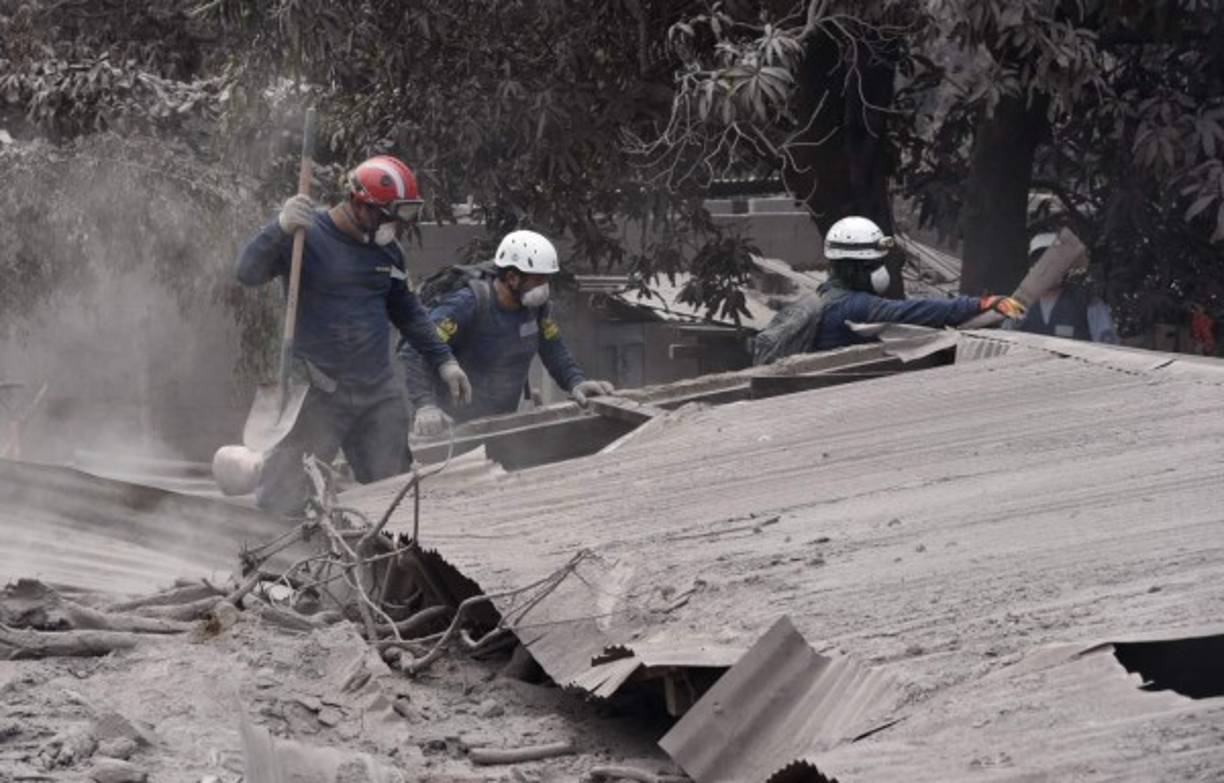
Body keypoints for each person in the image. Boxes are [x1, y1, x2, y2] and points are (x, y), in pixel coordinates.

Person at [236, 155, 471, 514]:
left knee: (395, 495)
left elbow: (408, 311)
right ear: (359, 204)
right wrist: (279, 228)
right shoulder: (305, 236)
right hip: (318, 391)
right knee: (281, 502)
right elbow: (247, 272)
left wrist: (445, 360)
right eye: (387, 216)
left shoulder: (388, 252)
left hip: (376, 393)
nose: (394, 227)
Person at [401, 230, 614, 435]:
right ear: (512, 278)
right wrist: (425, 406)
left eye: (546, 280)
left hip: (502, 424)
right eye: (538, 280)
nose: (544, 287)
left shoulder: (535, 308)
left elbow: (553, 348)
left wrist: (576, 382)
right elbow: (416, 349)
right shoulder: (468, 305)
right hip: (455, 430)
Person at [753, 216, 1025, 364]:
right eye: (874, 265)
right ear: (855, 267)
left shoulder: (822, 295)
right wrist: (981, 304)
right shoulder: (854, 306)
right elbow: (915, 311)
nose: (880, 270)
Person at [1007, 232, 1119, 343]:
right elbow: (1004, 338)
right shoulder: (1018, 304)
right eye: (1041, 263)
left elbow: (1108, 347)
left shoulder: (1087, 302)